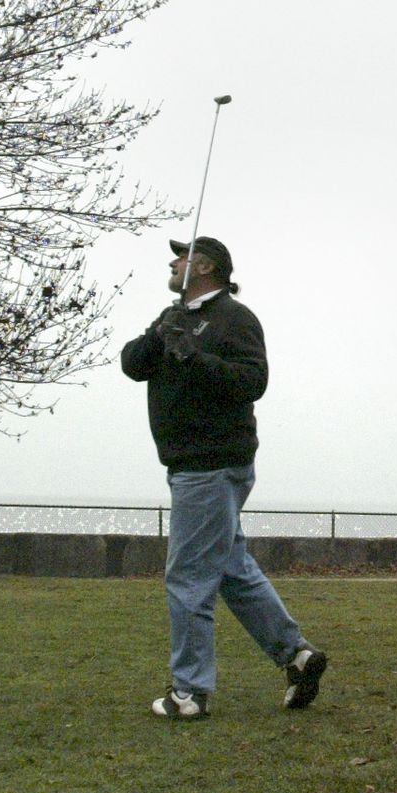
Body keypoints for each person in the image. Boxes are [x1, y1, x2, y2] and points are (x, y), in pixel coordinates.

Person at [121, 236, 327, 720]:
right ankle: (297, 657)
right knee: (233, 570)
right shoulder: (173, 316)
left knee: (189, 577)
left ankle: (189, 693)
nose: (173, 263)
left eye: (182, 257)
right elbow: (132, 365)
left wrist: (196, 357)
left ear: (206, 266)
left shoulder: (236, 318)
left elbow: (253, 382)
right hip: (191, 466)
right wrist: (160, 338)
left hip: (210, 465)